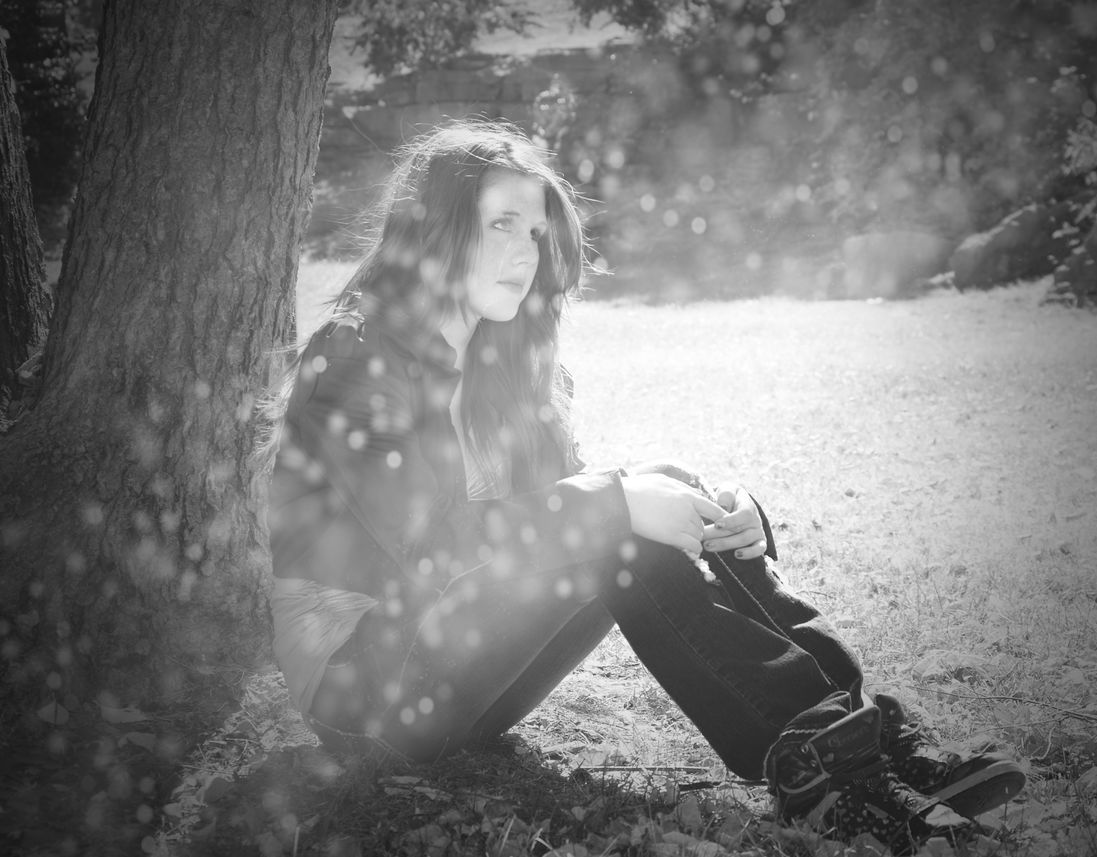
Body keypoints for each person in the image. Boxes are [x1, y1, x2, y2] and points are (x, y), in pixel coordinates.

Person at [266, 120, 1024, 855]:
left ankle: (866, 730)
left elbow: (562, 508)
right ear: (433, 229)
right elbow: (430, 547)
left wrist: (713, 516)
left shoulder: (506, 367)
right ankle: (820, 765)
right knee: (620, 519)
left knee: (661, 497)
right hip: (365, 688)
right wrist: (622, 503)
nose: (524, 252)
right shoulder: (357, 355)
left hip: (456, 672)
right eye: (499, 224)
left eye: (533, 232)